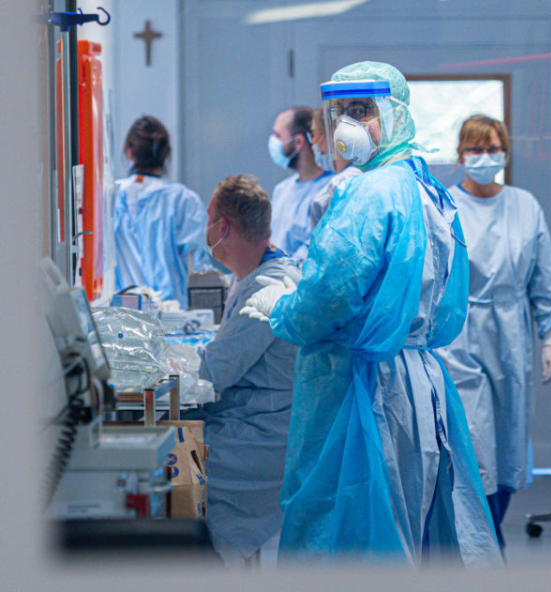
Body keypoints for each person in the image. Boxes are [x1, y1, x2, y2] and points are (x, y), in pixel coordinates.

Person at [240, 62, 501, 568]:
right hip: (418, 379)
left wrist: (282, 310)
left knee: (351, 537)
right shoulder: (425, 186)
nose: (346, 126)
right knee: (409, 532)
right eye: (339, 112)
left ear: (395, 114)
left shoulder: (370, 191)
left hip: (364, 385)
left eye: (363, 110)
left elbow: (329, 299)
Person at [437, 114, 551, 548]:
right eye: (476, 149)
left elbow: (545, 280)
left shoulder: (525, 206)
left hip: (511, 336)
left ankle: (491, 541)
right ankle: (484, 546)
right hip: (460, 336)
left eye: (493, 148)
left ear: (506, 153)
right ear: (460, 156)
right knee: (474, 444)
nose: (485, 157)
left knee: (509, 446)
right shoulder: (445, 206)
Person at [186, 174, 300, 566]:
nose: (205, 229)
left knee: (175, 465)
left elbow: (213, 373)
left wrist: (164, 363)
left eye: (208, 219)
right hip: (258, 422)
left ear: (223, 228)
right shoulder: (260, 277)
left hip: (262, 438)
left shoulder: (270, 289)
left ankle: (205, 567)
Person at [113, 115, 213, 308]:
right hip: (174, 318)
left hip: (122, 318)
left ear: (129, 153)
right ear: (166, 155)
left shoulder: (109, 197)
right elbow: (198, 272)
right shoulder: (184, 200)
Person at [267, 106, 335, 261]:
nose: (273, 141)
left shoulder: (330, 189)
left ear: (298, 142)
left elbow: (315, 250)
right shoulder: (281, 190)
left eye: (278, 135)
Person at [307, 107, 361, 229]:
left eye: (314, 135)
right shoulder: (375, 172)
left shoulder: (336, 189)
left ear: (333, 135)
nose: (314, 145)